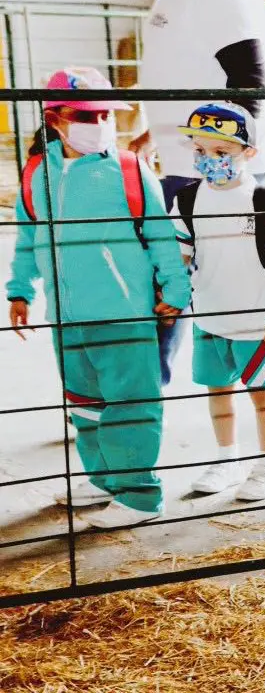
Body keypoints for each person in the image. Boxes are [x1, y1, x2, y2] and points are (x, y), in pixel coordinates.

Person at [6, 68, 190, 528]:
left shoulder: (130, 168)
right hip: (67, 316)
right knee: (84, 403)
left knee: (132, 403)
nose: (101, 123)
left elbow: (160, 233)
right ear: (55, 119)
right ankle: (105, 478)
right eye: (88, 116)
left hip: (124, 312)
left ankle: (140, 494)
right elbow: (28, 237)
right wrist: (20, 290)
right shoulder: (36, 173)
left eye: (107, 114)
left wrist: (176, 289)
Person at [131, 0, 265, 388]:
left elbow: (251, 79)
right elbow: (189, 64)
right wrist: (157, 131)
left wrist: (222, 161)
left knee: (253, 270)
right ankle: (149, 383)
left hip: (218, 166)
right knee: (177, 271)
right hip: (191, 157)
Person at [172, 102, 265, 502]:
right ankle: (227, 460)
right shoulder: (187, 200)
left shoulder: (264, 200)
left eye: (221, 152)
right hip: (209, 318)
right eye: (200, 150)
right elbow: (180, 257)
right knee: (217, 391)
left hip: (257, 323)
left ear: (250, 153)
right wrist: (170, 296)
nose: (209, 159)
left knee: (262, 396)